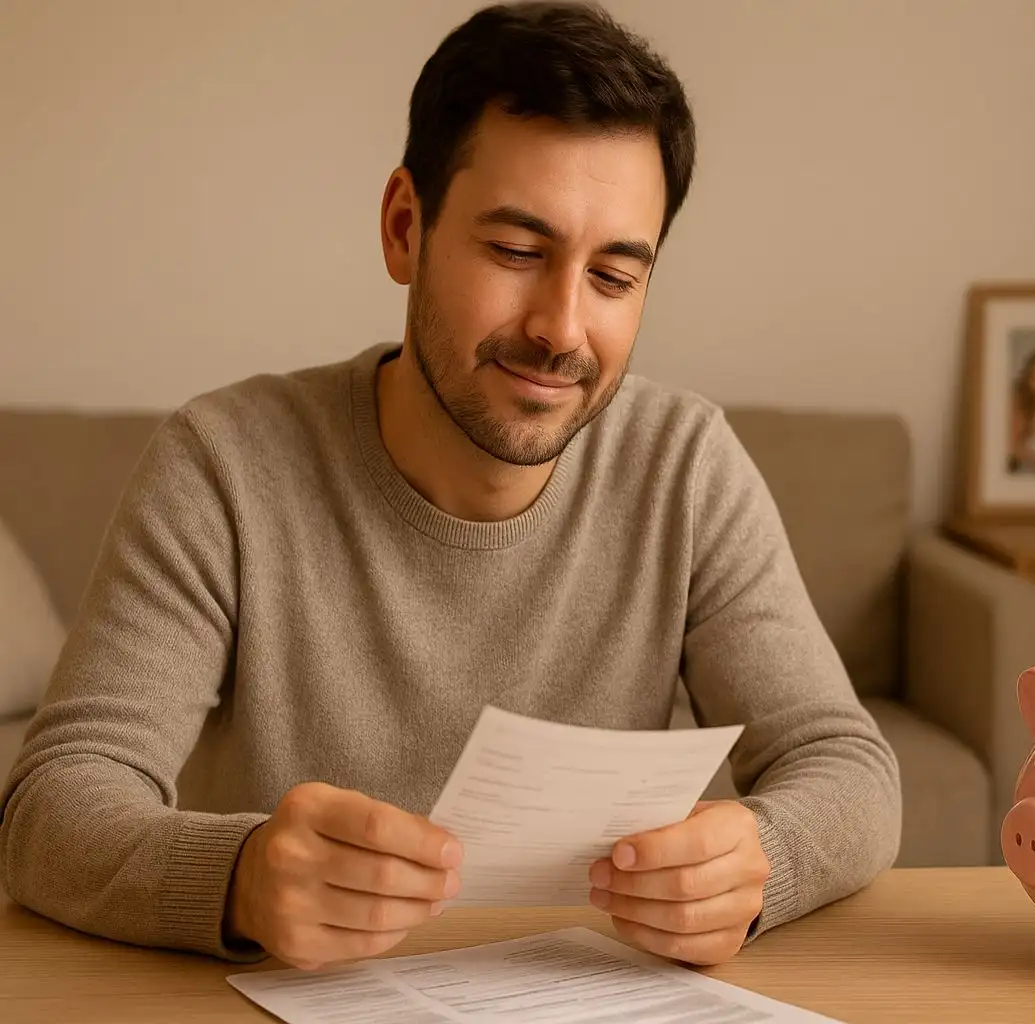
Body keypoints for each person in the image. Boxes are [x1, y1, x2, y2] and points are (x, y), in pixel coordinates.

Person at [0, 1, 901, 974]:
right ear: (403, 227)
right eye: (517, 251)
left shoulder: (685, 466)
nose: (561, 326)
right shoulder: (223, 463)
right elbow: (56, 800)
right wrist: (239, 875)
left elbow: (849, 768)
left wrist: (762, 857)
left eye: (613, 276)